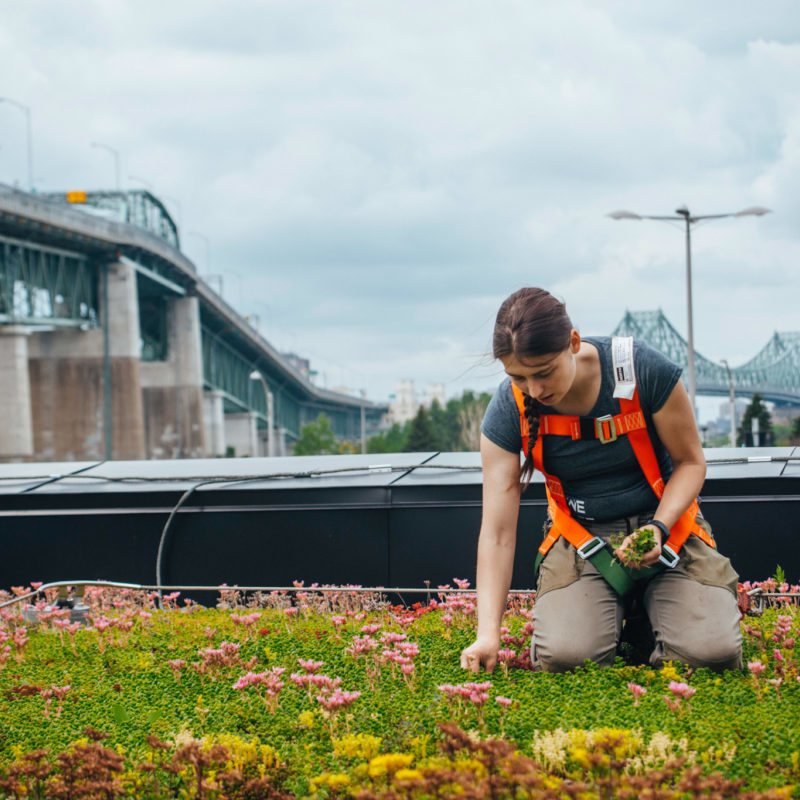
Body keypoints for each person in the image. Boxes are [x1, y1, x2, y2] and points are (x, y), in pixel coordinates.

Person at [460, 288, 742, 674]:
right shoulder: (509, 408)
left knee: (712, 654)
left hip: (668, 526)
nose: (535, 391)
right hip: (582, 537)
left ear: (573, 343)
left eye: (544, 373)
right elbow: (496, 534)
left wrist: (658, 528)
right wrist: (487, 635)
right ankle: (631, 613)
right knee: (566, 659)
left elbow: (691, 464)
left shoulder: (644, 369)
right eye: (519, 377)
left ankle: (649, 611)